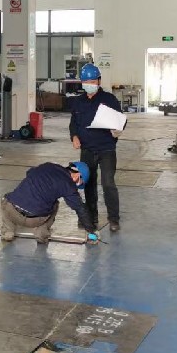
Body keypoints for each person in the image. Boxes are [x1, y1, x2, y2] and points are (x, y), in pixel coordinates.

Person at [69, 63, 122, 233]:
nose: (89, 85)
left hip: (106, 149)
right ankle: (91, 218)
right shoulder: (78, 102)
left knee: (108, 183)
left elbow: (120, 120)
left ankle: (114, 219)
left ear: (99, 81)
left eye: (92, 81)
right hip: (87, 150)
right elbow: (73, 124)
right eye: (86, 82)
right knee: (89, 184)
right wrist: (74, 136)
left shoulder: (109, 100)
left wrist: (117, 130)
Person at [0, 160, 99, 246]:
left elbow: (29, 173)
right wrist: (91, 231)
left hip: (12, 211)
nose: (77, 185)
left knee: (7, 199)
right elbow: (80, 209)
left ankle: (7, 233)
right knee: (54, 204)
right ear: (77, 175)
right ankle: (41, 235)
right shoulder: (69, 186)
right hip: (34, 220)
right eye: (80, 183)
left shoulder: (48, 166)